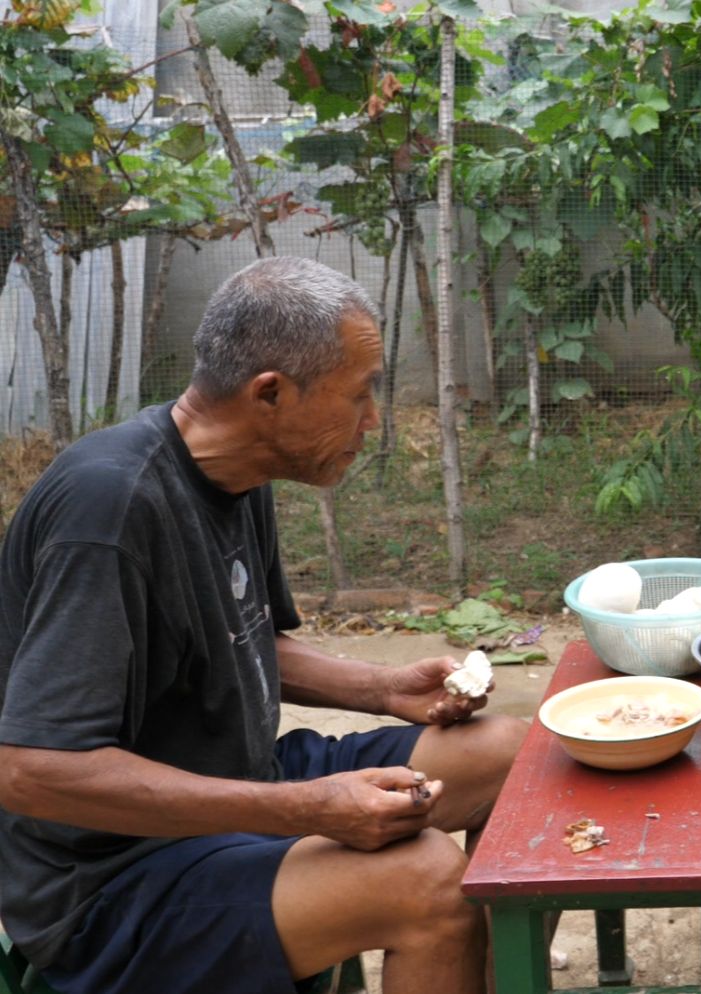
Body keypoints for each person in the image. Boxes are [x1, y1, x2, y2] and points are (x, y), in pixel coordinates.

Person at [0, 257, 530, 994]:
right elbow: (30, 772)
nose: (373, 422)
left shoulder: (236, 475)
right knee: (429, 884)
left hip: (239, 788)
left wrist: (383, 690)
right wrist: (303, 811)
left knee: (514, 753)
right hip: (112, 880)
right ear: (270, 395)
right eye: (359, 396)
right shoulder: (110, 510)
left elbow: (245, 638)